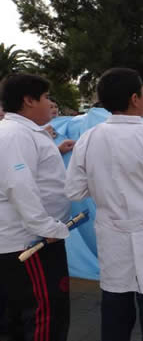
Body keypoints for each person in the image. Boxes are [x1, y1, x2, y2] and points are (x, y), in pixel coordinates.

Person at [65, 68, 143, 341]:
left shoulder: (88, 139)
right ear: (135, 98)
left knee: (115, 312)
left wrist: (101, 186)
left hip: (112, 237)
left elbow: (74, 191)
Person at [0, 73, 71, 341]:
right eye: (45, 98)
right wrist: (46, 227)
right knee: (44, 317)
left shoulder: (23, 132)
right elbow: (19, 185)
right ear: (29, 101)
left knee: (21, 319)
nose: (49, 103)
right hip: (31, 244)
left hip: (32, 239)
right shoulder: (15, 133)